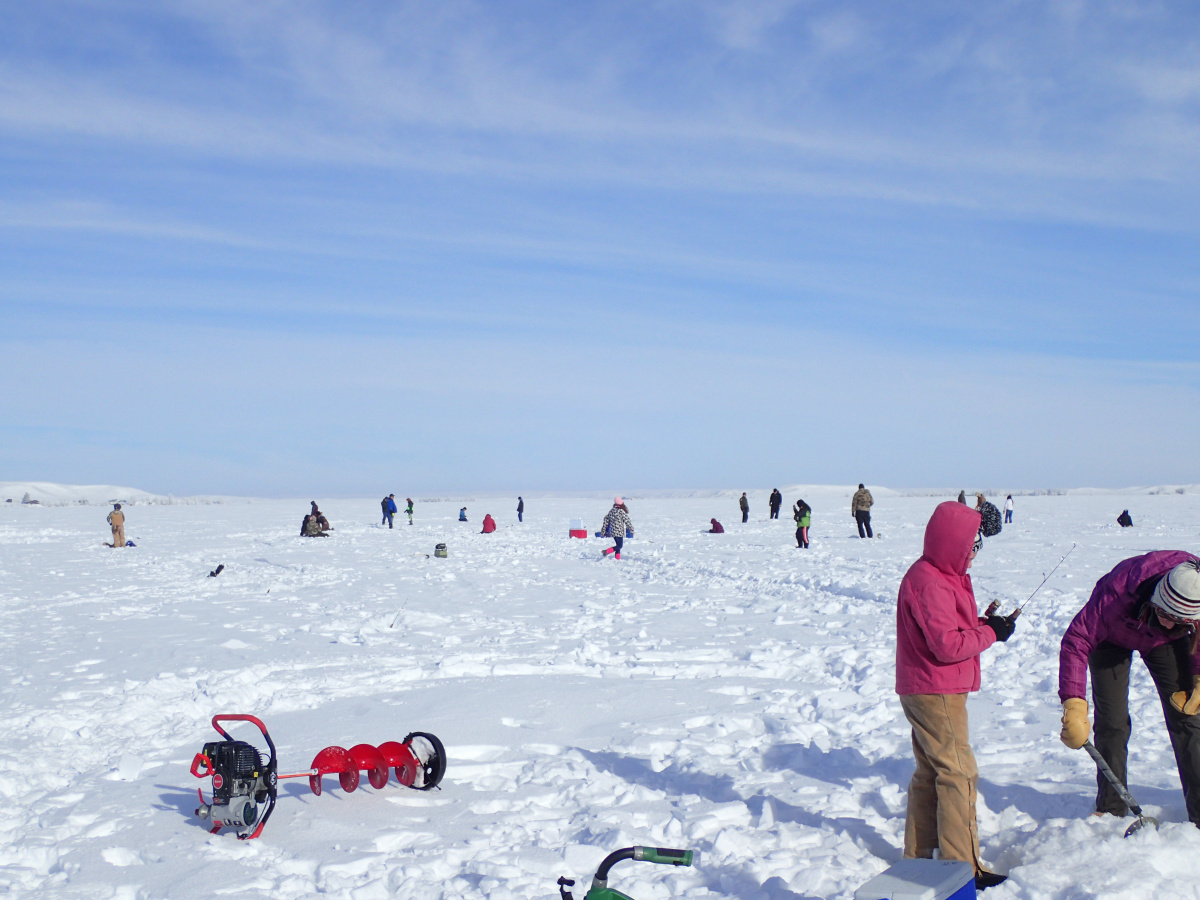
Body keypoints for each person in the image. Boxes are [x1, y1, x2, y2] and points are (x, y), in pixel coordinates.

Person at [896, 501, 1014, 891]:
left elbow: (947, 628)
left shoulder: (936, 573)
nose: (974, 556)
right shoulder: (930, 580)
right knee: (958, 773)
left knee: (931, 771)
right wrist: (992, 634)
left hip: (926, 685)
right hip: (936, 689)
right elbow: (947, 646)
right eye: (972, 548)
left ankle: (920, 854)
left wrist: (984, 623)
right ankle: (962, 868)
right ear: (955, 544)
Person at [1058, 554, 1200, 828]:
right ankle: (1111, 808)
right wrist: (1073, 703)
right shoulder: (1116, 595)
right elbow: (1077, 640)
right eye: (1164, 614)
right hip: (1111, 638)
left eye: (1179, 621)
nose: (1169, 623)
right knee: (1112, 722)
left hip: (1162, 644)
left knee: (1188, 717)